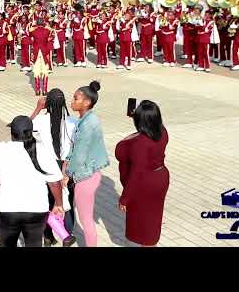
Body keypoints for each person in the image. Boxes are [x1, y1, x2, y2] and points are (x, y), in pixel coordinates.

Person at [0, 115, 64, 248]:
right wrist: (59, 204)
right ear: (31, 132)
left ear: (12, 133)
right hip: (37, 210)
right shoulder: (43, 150)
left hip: (6, 210)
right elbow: (54, 182)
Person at [115, 100, 170, 247]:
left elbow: (136, 174)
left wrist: (124, 198)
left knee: (141, 224)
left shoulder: (140, 143)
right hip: (160, 178)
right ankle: (151, 241)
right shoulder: (162, 132)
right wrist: (136, 116)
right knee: (153, 218)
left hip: (145, 185)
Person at [64, 81, 109, 247]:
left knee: (86, 221)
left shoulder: (88, 124)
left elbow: (80, 154)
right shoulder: (87, 119)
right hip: (89, 173)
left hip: (85, 176)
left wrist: (67, 174)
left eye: (76, 98)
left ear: (87, 102)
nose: (72, 101)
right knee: (86, 218)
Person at [30, 89, 77, 247]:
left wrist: (37, 108)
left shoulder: (40, 121)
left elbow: (23, 129)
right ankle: (67, 234)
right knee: (67, 202)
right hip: (66, 167)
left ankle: (48, 236)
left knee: (47, 204)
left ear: (46, 104)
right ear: (64, 103)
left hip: (46, 168)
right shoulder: (73, 122)